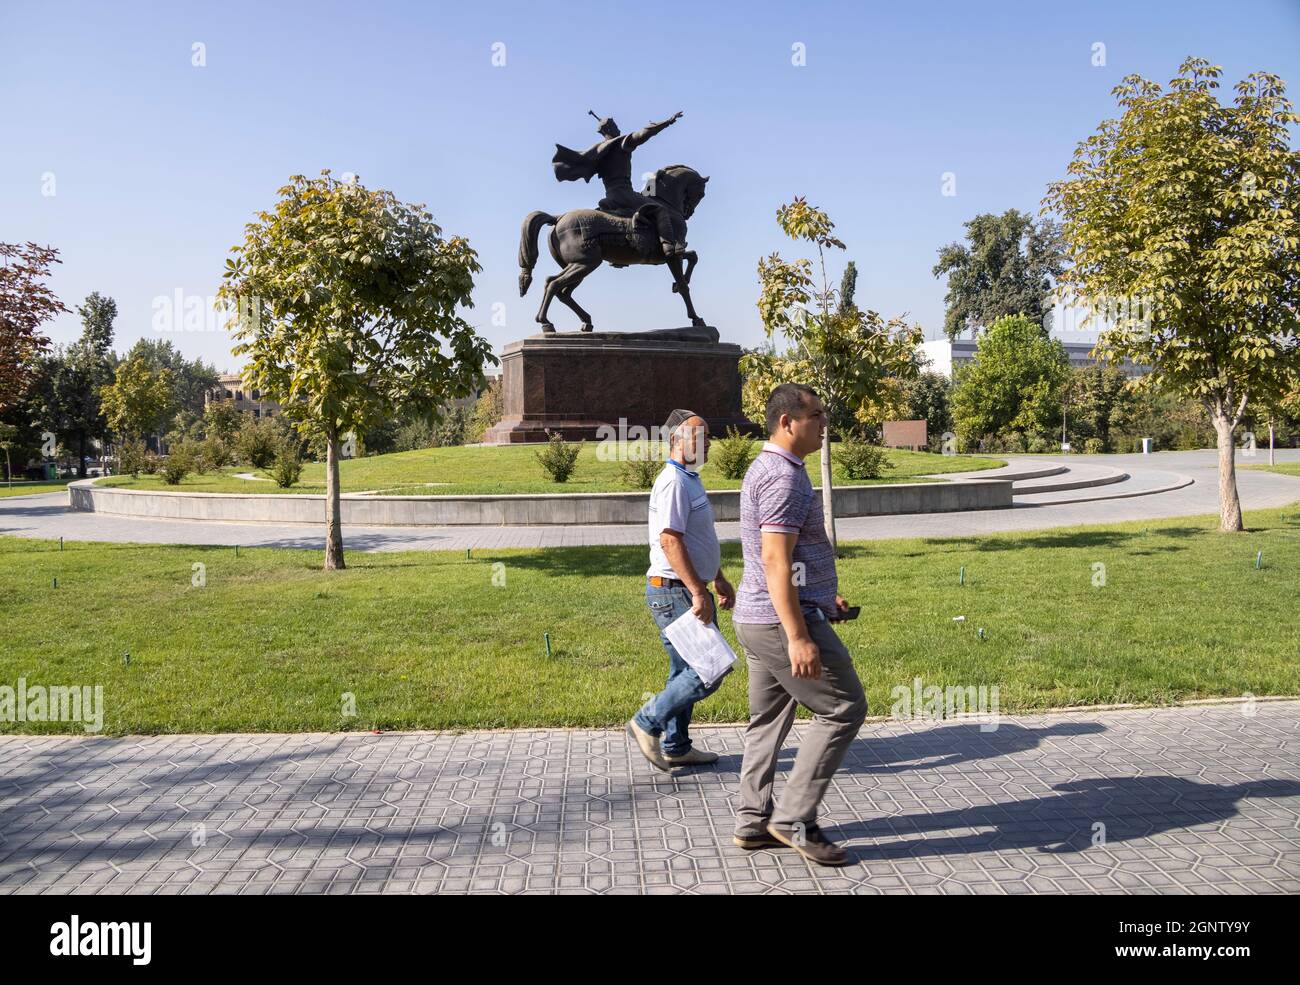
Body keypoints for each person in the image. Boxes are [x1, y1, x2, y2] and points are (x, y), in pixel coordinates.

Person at [730, 383, 867, 866]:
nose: (825, 422)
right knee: (844, 707)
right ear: (787, 422)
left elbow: (786, 558)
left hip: (756, 616)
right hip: (777, 622)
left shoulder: (771, 467)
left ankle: (753, 821)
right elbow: (774, 560)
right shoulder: (784, 478)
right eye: (816, 415)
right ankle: (792, 819)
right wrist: (797, 636)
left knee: (767, 720)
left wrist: (821, 596)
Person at [626, 409, 735, 770]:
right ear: (675, 441)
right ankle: (647, 721)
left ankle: (677, 746)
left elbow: (696, 537)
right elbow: (671, 541)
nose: (706, 443)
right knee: (711, 667)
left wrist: (716, 577)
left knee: (683, 670)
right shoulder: (673, 481)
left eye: (708, 436)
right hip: (674, 591)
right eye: (697, 436)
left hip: (685, 587)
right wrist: (698, 592)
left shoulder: (689, 479)